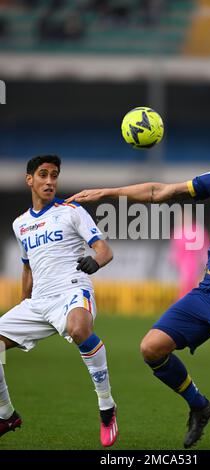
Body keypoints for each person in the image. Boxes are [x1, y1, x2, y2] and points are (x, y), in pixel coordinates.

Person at [67, 128, 210, 450]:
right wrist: (107, 192)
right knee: (151, 348)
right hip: (207, 291)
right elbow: (158, 192)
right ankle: (199, 405)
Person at [0, 155, 118, 447]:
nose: (50, 181)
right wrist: (23, 305)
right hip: (39, 301)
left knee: (80, 330)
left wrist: (95, 262)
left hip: (72, 290)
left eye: (54, 175)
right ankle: (6, 415)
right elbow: (27, 268)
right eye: (43, 175)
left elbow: (104, 250)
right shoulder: (20, 224)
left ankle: (106, 406)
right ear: (30, 180)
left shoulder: (72, 211)